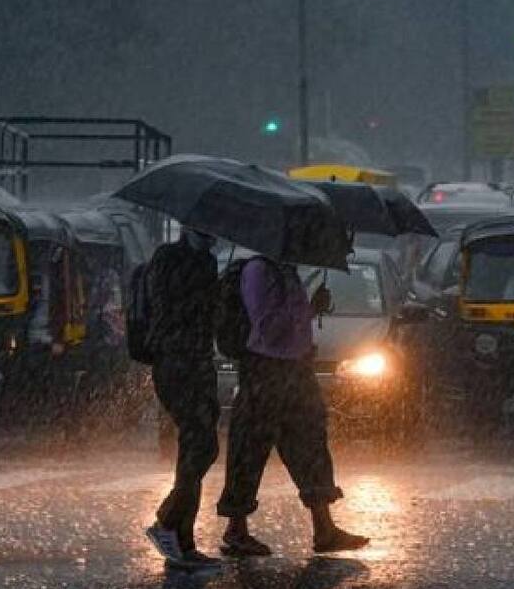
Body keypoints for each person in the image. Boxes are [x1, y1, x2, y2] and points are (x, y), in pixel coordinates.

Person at [216, 256, 368, 556]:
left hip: (296, 370)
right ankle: (236, 528)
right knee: (250, 448)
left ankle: (324, 528)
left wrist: (312, 309)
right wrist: (304, 312)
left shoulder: (287, 272)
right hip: (266, 370)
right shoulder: (259, 271)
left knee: (310, 445)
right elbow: (268, 327)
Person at [143, 228, 221, 570]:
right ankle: (169, 525)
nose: (210, 237)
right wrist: (207, 295)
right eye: (204, 230)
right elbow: (170, 306)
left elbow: (208, 317)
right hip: (175, 360)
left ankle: (180, 536)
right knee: (199, 444)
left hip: (200, 360)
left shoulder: (207, 261)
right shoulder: (167, 258)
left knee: (200, 447)